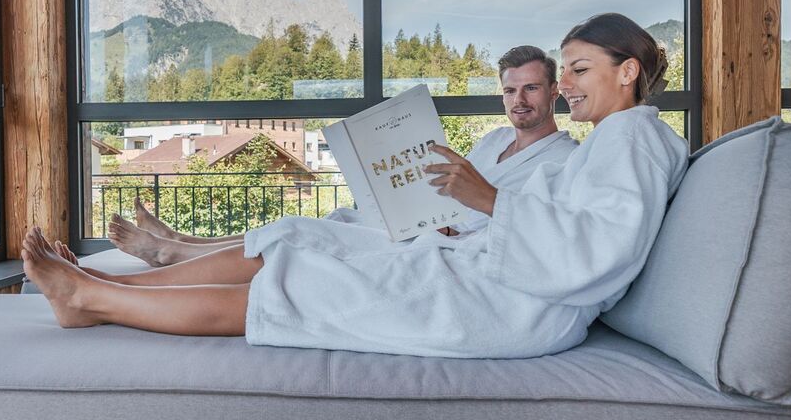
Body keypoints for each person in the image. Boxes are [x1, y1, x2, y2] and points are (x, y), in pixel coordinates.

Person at [21, 13, 688, 359]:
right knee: (296, 257)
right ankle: (99, 289)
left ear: (628, 71)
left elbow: (597, 251)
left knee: (295, 281)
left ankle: (92, 296)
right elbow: (576, 233)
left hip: (508, 304)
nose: (566, 85)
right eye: (563, 72)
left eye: (577, 70)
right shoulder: (619, 140)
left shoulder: (631, 140)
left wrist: (486, 202)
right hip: (491, 275)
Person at [104, 44, 575, 267]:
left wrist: (452, 226)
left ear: (554, 91)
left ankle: (171, 252)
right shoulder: (494, 140)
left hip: (448, 248)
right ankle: (185, 240)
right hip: (428, 225)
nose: (519, 100)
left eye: (531, 88)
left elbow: (531, 228)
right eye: (510, 90)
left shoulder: (563, 160)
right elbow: (451, 190)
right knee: (336, 216)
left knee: (297, 231)